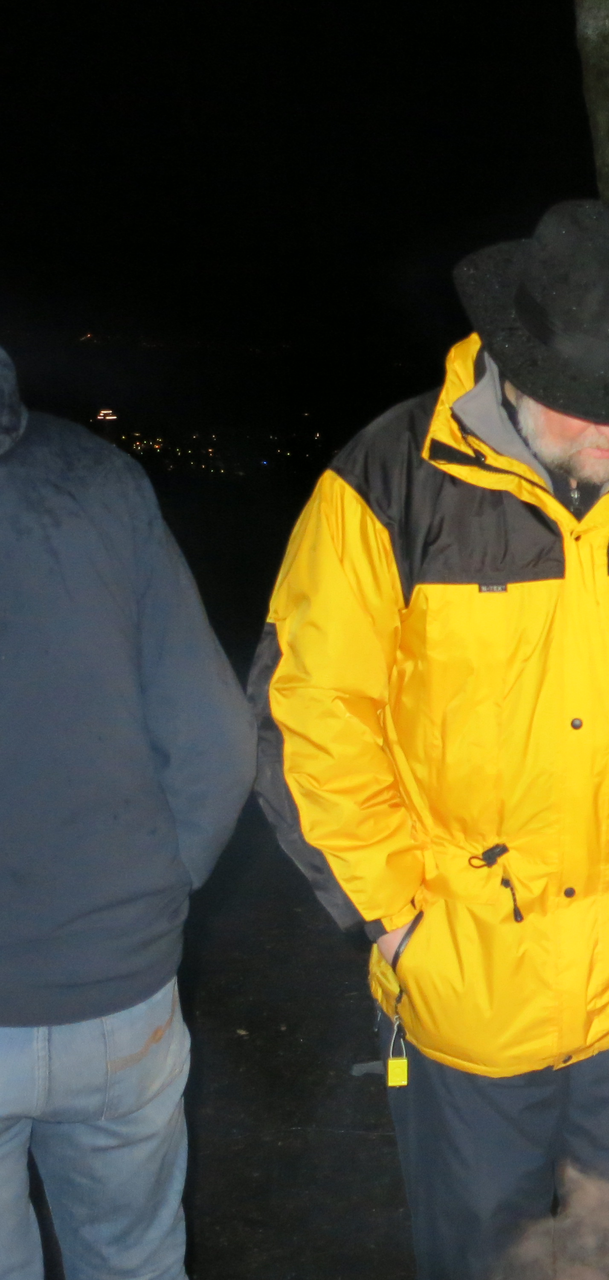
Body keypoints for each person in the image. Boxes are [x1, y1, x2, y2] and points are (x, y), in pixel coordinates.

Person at [248, 201, 609, 1279]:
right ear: (518, 364)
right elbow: (311, 711)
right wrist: (400, 917)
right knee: (481, 1258)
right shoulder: (389, 480)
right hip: (464, 975)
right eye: (592, 406)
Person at [0, 345, 256, 1279]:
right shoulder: (98, 478)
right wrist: (153, 893)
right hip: (120, 997)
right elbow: (217, 737)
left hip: (112, 964)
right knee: (135, 1260)